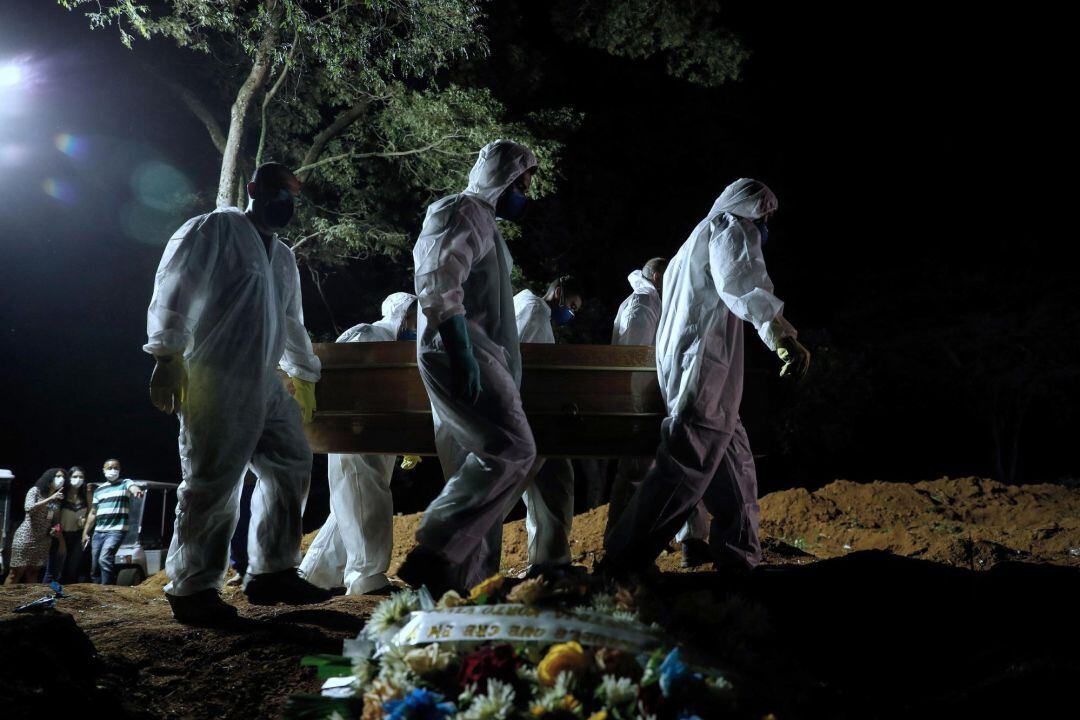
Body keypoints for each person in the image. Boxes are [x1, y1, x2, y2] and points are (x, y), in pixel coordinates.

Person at [144, 161, 330, 624]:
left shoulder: (283, 256)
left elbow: (290, 320)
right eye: (276, 190)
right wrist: (167, 355)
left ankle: (271, 572)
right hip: (214, 378)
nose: (284, 201)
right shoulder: (216, 229)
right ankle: (192, 588)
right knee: (212, 483)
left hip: (265, 381)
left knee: (292, 462)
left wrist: (303, 372)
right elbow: (175, 287)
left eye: (291, 194)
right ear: (253, 189)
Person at [603, 179, 810, 576]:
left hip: (697, 374)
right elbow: (742, 283)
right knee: (683, 466)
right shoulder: (730, 226)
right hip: (705, 373)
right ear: (752, 209)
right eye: (766, 215)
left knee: (735, 466)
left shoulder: (688, 247)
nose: (766, 225)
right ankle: (622, 560)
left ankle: (740, 557)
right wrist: (780, 334)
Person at [398, 140, 539, 595]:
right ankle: (433, 547)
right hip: (460, 347)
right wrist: (461, 350)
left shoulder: (485, 224)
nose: (527, 192)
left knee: (477, 463)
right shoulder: (462, 210)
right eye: (523, 182)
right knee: (513, 449)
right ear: (504, 179)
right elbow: (438, 278)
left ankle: (457, 585)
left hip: (473, 350)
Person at [300, 292, 418, 596]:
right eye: (416, 316)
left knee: (349, 506)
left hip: (376, 436)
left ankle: (315, 575)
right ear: (402, 314)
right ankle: (366, 578)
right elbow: (342, 380)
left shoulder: (400, 348)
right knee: (366, 501)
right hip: (355, 433)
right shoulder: (365, 334)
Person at [606, 258, 711, 568]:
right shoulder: (644, 303)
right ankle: (622, 551)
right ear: (655, 275)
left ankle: (685, 541)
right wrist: (640, 407)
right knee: (646, 473)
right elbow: (633, 359)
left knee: (663, 468)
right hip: (643, 405)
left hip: (647, 403)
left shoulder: (645, 302)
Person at [512, 276, 584, 574]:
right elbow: (537, 366)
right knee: (556, 483)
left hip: (519, 412)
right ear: (557, 292)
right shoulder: (536, 311)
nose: (571, 313)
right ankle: (550, 562)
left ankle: (546, 561)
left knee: (541, 488)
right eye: (571, 304)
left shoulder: (522, 305)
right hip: (533, 413)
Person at [82, 459, 144, 585]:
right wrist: (85, 532)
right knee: (95, 564)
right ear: (104, 471)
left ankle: (107, 590)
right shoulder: (99, 490)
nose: (113, 470)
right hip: (99, 531)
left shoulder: (125, 483)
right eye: (109, 468)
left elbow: (133, 487)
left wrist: (136, 491)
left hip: (116, 530)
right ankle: (96, 590)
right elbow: (93, 513)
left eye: (116, 468)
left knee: (104, 559)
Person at [5, 468, 65, 584]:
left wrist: (56, 529)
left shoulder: (57, 500)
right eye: (57, 476)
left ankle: (30, 600)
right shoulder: (35, 491)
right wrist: (50, 498)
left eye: (63, 477)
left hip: (43, 540)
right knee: (15, 573)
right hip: (26, 537)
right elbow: (29, 508)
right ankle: (6, 600)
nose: (61, 479)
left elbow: (56, 520)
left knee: (33, 573)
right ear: (49, 477)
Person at [44, 465, 90, 584]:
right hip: (60, 535)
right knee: (53, 571)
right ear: (69, 478)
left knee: (71, 570)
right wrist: (61, 541)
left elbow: (91, 513)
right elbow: (54, 519)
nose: (78, 479)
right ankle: (45, 597)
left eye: (81, 477)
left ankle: (66, 600)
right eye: (75, 476)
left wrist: (85, 524)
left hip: (77, 536)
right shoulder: (61, 495)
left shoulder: (85, 495)